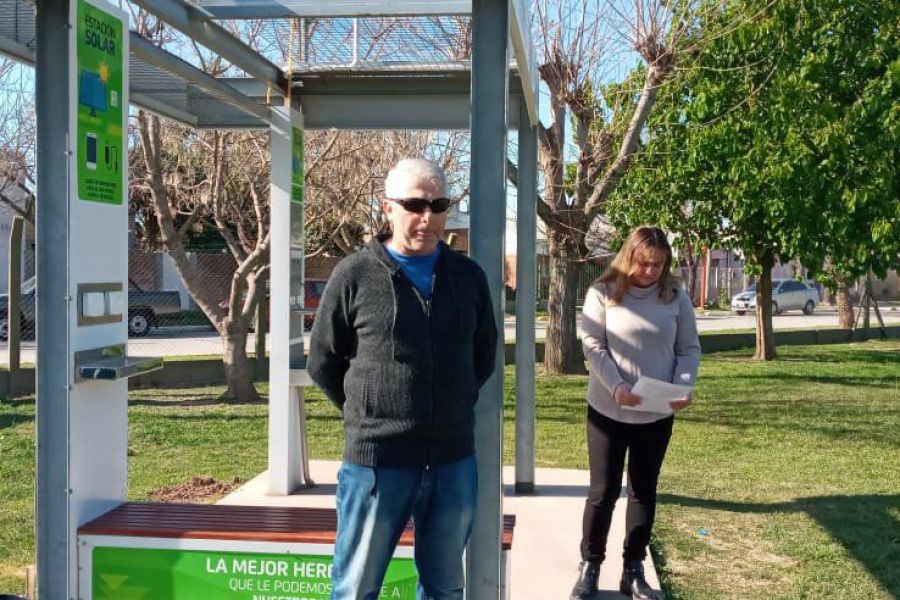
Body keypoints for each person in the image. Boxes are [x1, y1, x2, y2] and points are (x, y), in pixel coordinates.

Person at [307, 158, 498, 600]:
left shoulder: (468, 277)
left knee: (446, 589)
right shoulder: (353, 274)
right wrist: (369, 410)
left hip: (452, 462)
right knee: (356, 589)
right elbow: (323, 361)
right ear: (387, 208)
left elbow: (483, 356)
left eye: (439, 204)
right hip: (377, 464)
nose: (427, 217)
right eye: (414, 204)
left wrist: (449, 406)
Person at [569, 226, 701, 600]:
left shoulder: (676, 296)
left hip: (656, 412)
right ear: (629, 258)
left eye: (658, 265)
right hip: (608, 410)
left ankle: (633, 569)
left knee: (643, 491)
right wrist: (617, 386)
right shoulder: (603, 292)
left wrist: (682, 386)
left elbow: (689, 347)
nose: (651, 271)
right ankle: (590, 566)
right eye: (644, 263)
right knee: (603, 491)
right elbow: (593, 345)